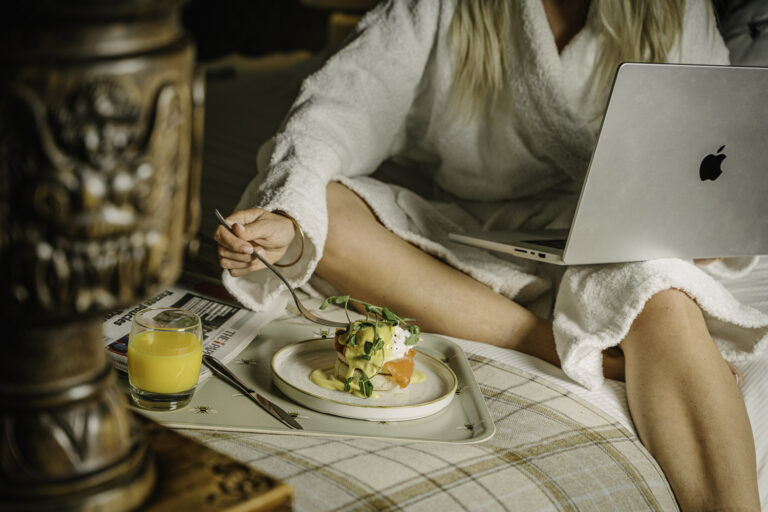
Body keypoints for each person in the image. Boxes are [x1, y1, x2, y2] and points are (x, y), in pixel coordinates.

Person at [214, 1, 768, 509]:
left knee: (661, 294)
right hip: (467, 227)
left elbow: (714, 137)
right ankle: (560, 347)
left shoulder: (675, 9)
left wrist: (701, 219)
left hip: (616, 235)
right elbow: (337, 107)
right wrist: (290, 216)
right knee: (323, 211)